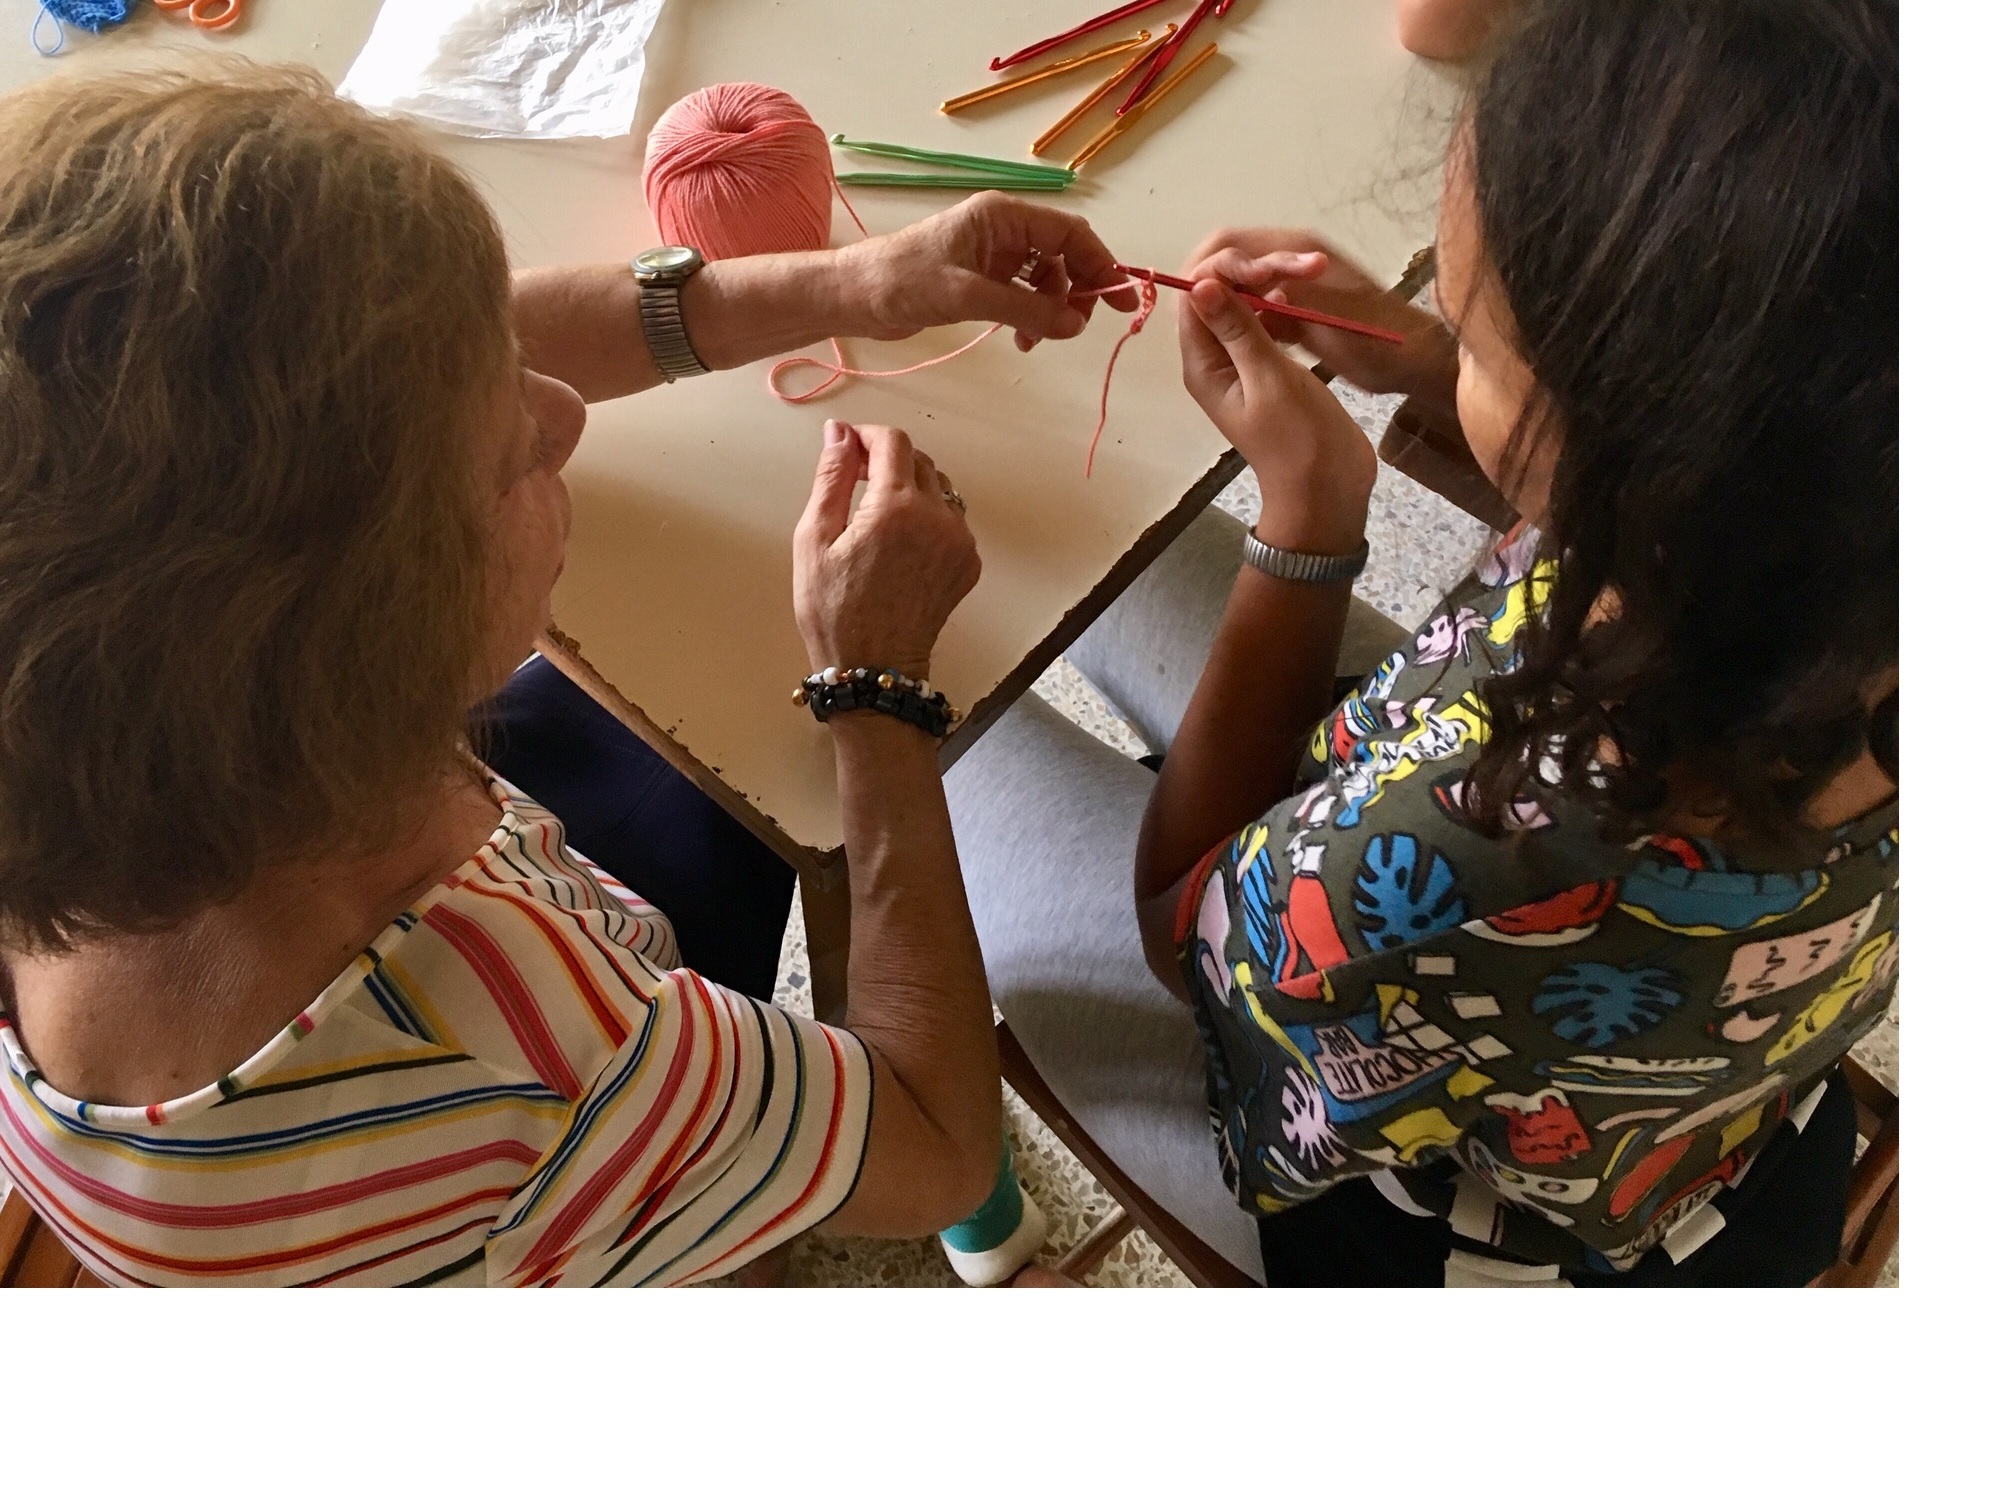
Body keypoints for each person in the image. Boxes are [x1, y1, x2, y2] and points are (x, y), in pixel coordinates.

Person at [0, 64, 1133, 1286]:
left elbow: (418, 358)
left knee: (721, 745)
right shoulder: (543, 1054)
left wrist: (856, 283)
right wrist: (878, 689)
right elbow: (942, 1146)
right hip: (509, 1133)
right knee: (784, 755)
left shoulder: (105, 737)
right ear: (399, 663)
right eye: (507, 451)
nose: (564, 413)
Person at [948, 0, 1897, 1285]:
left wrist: (1310, 520)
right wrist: (1436, 361)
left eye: (1479, 333)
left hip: (1408, 1209)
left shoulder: (1486, 861)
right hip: (1672, 1078)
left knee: (947, 749)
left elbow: (1181, 930)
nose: (1449, 340)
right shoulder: (1841, 557)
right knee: (1091, 544)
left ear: (1634, 452)